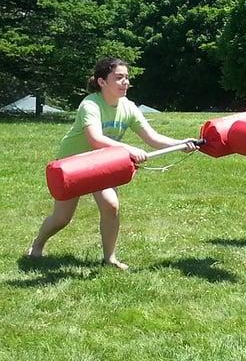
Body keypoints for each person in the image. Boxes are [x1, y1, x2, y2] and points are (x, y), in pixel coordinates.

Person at [28, 57, 197, 269]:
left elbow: (153, 138)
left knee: (111, 205)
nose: (125, 82)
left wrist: (182, 143)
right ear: (102, 82)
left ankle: (109, 258)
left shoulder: (129, 107)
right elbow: (95, 139)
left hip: (102, 163)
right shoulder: (90, 104)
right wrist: (127, 148)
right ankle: (37, 245)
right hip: (73, 164)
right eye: (118, 78)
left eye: (126, 78)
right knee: (62, 218)